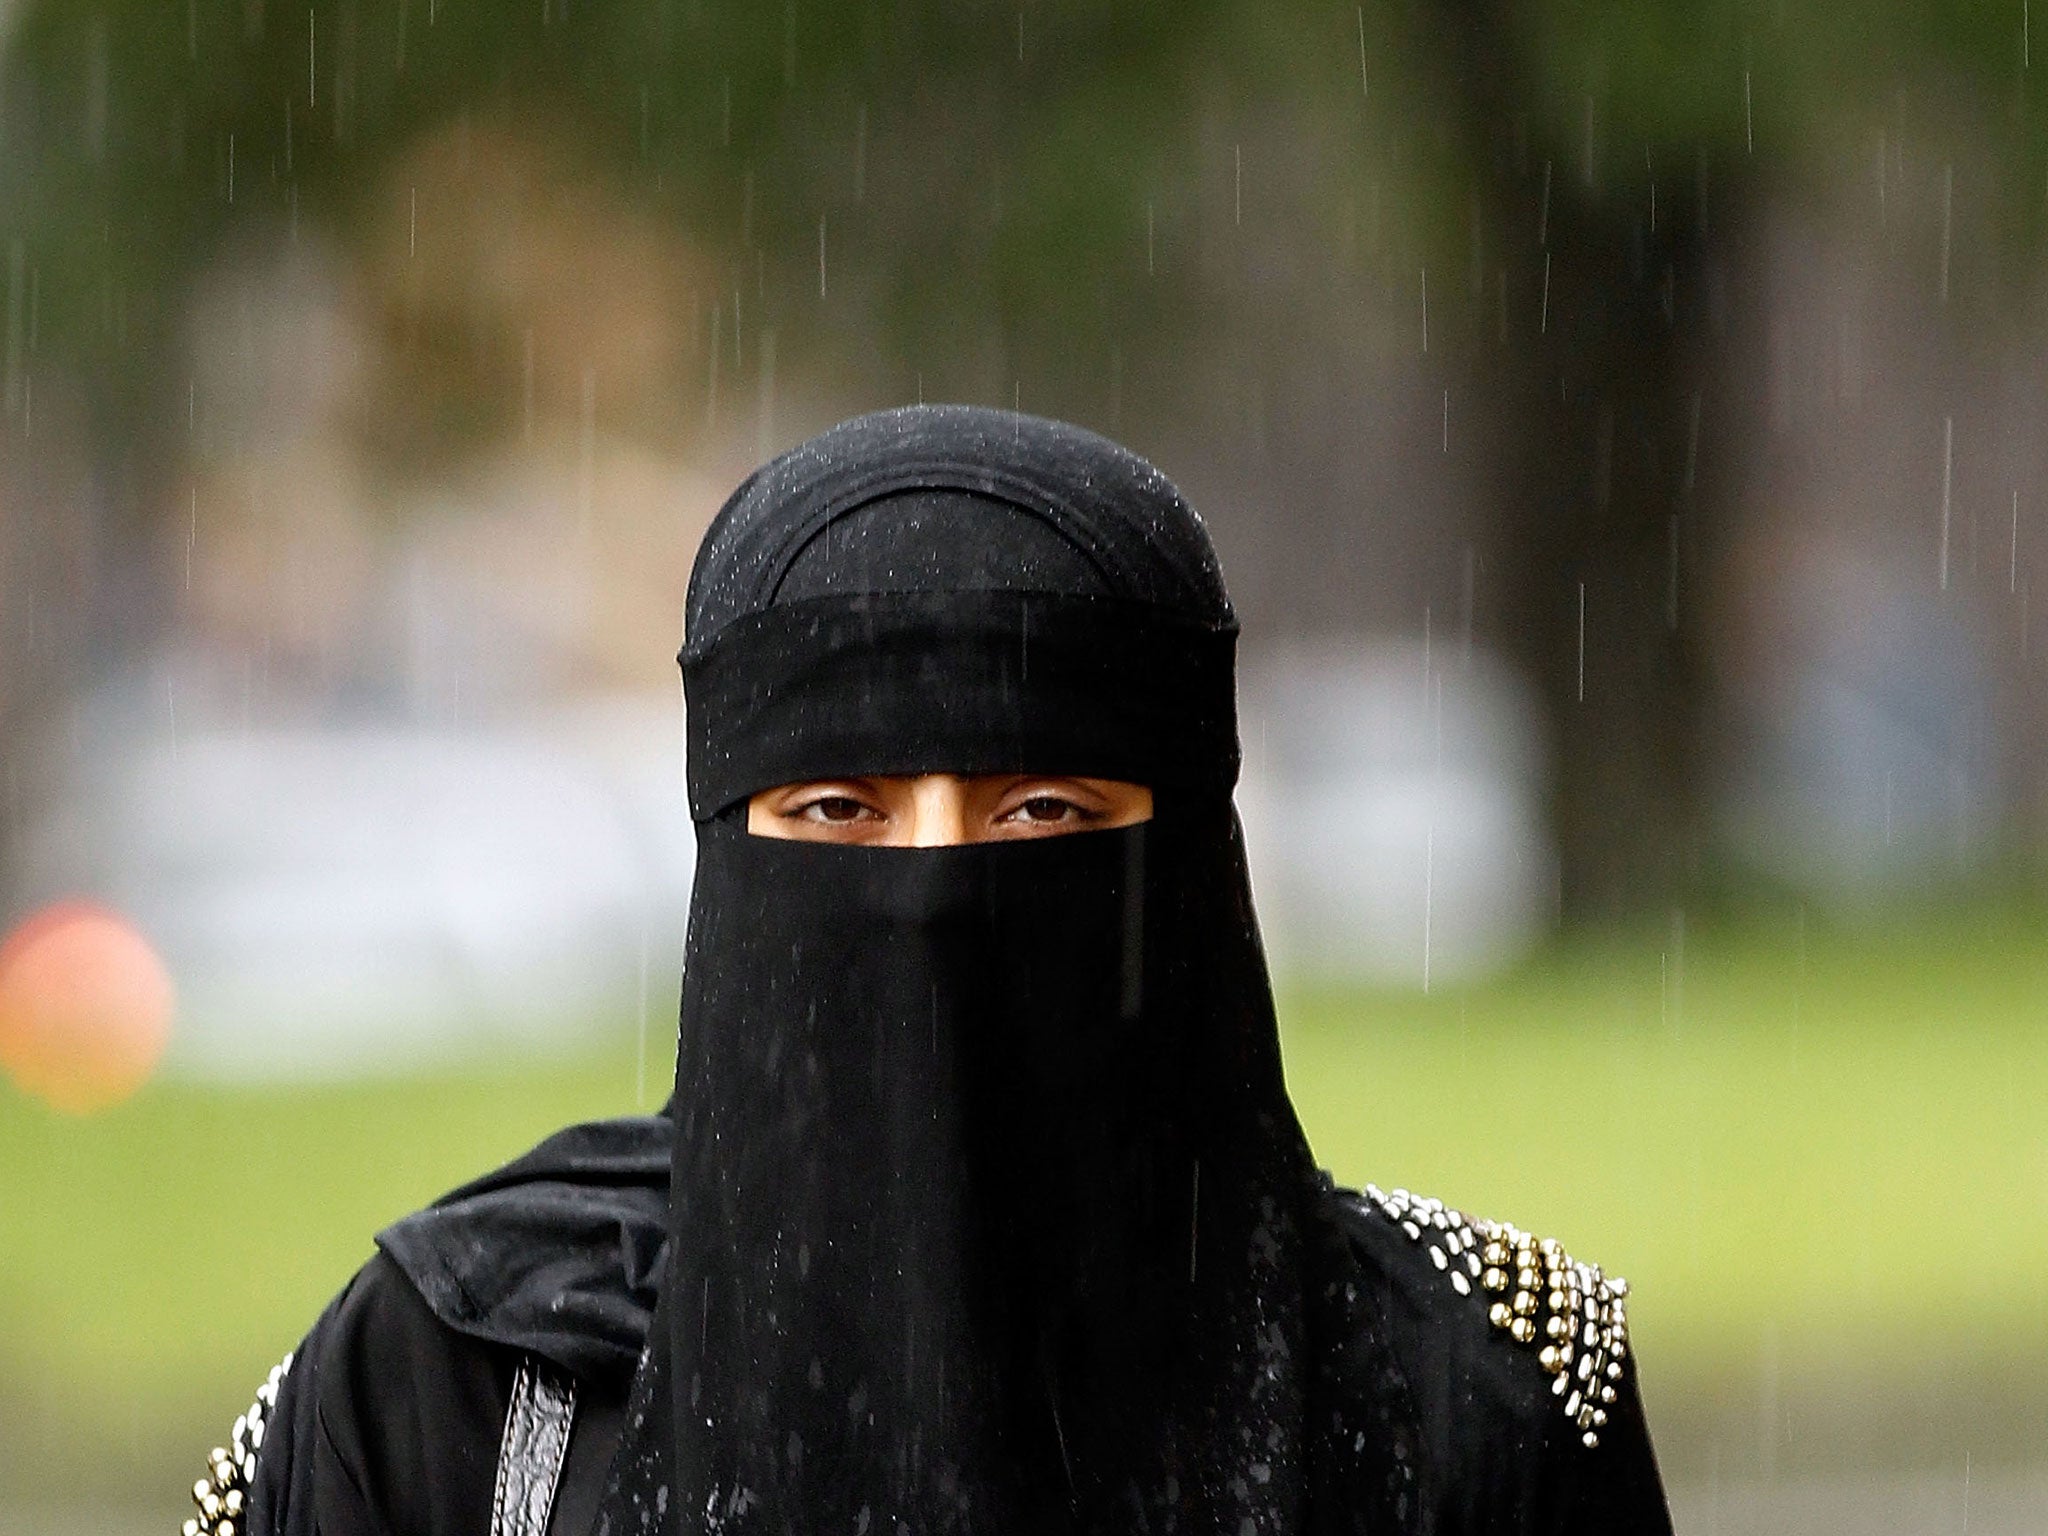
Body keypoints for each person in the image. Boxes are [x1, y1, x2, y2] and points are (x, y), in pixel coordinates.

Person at [185, 406, 1672, 1536]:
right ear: (732, 849)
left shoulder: (1469, 1392)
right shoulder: (464, 1383)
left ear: (1193, 861)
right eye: (843, 813)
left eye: (1044, 815)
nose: (941, 897)